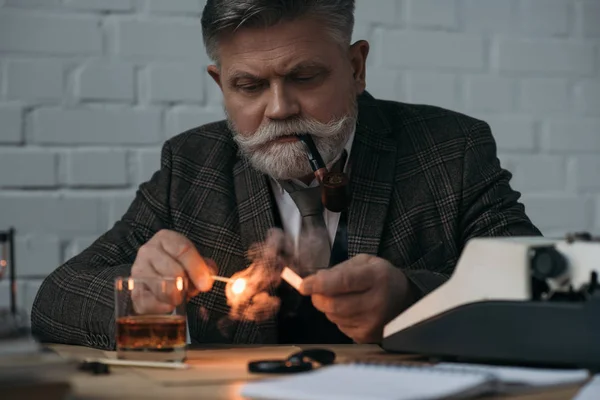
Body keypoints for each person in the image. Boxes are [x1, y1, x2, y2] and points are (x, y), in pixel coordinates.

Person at [31, 0, 541, 350]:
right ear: (220, 83)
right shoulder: (190, 164)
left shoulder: (450, 149)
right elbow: (55, 300)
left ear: (356, 66)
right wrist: (137, 299)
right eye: (249, 86)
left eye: (304, 77)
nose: (279, 109)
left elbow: (541, 294)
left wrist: (411, 300)